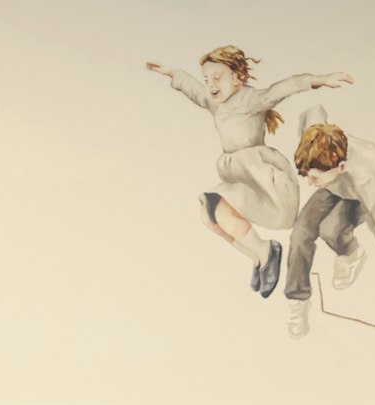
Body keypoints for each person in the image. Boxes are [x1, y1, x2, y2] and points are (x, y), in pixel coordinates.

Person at [146, 49, 353, 297]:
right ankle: (260, 256)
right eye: (207, 78)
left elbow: (285, 87)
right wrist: (172, 73)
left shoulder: (251, 99)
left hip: (262, 177)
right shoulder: (215, 101)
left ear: (237, 78)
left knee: (217, 205)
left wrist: (319, 80)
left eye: (217, 77)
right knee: (207, 214)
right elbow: (193, 90)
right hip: (240, 175)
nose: (210, 84)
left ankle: (267, 252)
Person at [285, 118, 375, 338]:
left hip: (365, 191)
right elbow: (312, 111)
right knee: (300, 233)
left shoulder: (366, 179)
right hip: (333, 183)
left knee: (331, 229)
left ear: (341, 167)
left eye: (314, 177)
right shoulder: (322, 157)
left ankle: (351, 253)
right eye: (308, 176)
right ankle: (298, 300)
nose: (309, 183)